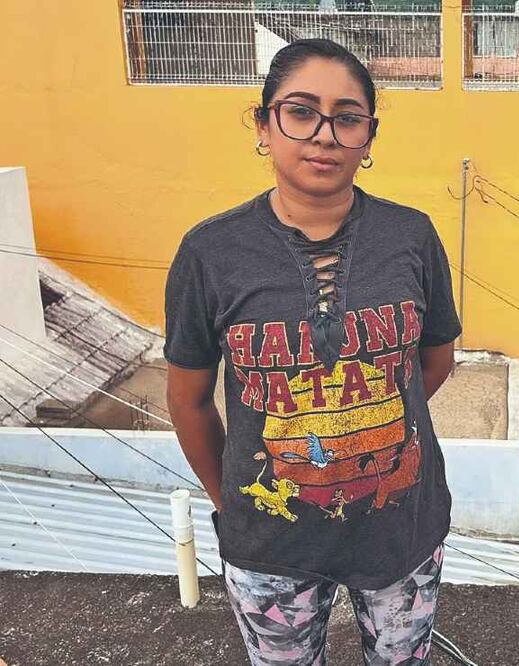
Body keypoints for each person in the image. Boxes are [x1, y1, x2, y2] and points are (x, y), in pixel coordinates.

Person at [164, 39, 461, 665]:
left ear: (368, 138)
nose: (324, 135)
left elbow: (435, 362)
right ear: (264, 125)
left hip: (399, 526)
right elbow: (188, 401)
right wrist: (234, 501)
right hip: (270, 543)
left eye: (347, 118)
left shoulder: (411, 235)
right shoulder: (210, 254)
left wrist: (360, 422)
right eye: (301, 111)